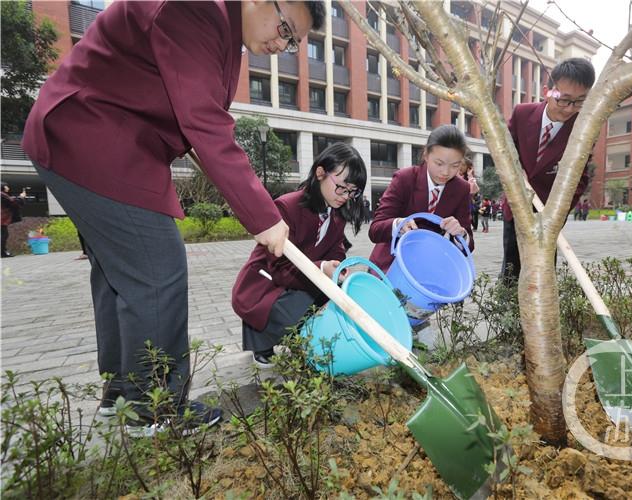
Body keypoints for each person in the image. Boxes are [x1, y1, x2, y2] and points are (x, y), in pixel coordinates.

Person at [21, 1, 325, 435]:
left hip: (100, 141)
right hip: (90, 137)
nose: (282, 44)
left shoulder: (221, 27)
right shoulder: (196, 7)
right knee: (156, 272)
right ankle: (156, 410)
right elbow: (204, 121)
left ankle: (125, 396)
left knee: (119, 276)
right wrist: (265, 215)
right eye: (285, 29)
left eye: (292, 42)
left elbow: (190, 111)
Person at [232, 143, 366, 367]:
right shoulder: (288, 206)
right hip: (266, 281)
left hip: (299, 277)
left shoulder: (336, 213)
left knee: (340, 296)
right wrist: (322, 267)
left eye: (352, 191)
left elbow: (336, 249)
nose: (346, 196)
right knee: (304, 305)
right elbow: (280, 266)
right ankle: (262, 340)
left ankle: (295, 337)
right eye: (342, 187)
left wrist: (337, 265)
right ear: (320, 173)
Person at [501, 58, 595, 281]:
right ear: (547, 91)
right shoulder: (522, 113)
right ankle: (507, 311)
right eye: (564, 100)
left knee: (543, 272)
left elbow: (579, 179)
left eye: (580, 102)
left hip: (549, 213)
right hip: (516, 205)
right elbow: (504, 152)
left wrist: (556, 212)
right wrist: (513, 177)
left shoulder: (583, 130)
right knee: (511, 269)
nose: (570, 109)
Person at [369, 125, 474, 272]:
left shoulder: (461, 188)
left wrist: (460, 233)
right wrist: (398, 224)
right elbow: (375, 229)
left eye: (455, 166)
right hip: (391, 265)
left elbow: (469, 245)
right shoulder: (405, 178)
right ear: (426, 155)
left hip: (428, 270)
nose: (445, 172)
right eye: (439, 163)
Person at [1, 183, 26, 258]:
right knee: (3, 235)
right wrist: (21, 197)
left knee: (4, 234)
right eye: (6, 186)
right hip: (1, 219)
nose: (8, 187)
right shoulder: (2, 194)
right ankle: (2, 253)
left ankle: (3, 252)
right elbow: (13, 202)